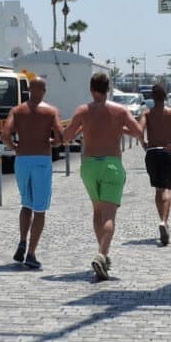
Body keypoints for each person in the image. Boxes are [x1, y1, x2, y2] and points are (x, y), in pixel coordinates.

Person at [63, 72, 144, 281]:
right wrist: (120, 128)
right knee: (109, 215)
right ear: (108, 89)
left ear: (91, 89)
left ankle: (103, 254)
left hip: (89, 165)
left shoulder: (83, 111)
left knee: (97, 211)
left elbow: (66, 137)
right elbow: (138, 132)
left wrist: (84, 128)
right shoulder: (120, 110)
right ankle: (102, 254)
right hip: (111, 164)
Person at [0, 76, 63, 270]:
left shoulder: (17, 111)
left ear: (28, 90)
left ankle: (22, 241)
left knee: (26, 204)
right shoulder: (51, 111)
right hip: (41, 160)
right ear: (44, 90)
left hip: (22, 160)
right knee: (40, 209)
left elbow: (4, 135)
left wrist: (15, 146)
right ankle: (31, 254)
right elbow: (60, 137)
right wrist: (52, 143)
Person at [139, 84, 171, 246]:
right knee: (166, 188)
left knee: (158, 189)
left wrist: (144, 144)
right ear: (165, 96)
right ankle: (164, 221)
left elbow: (139, 131)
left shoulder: (147, 113)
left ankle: (162, 220)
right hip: (167, 151)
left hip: (152, 152)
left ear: (152, 97)